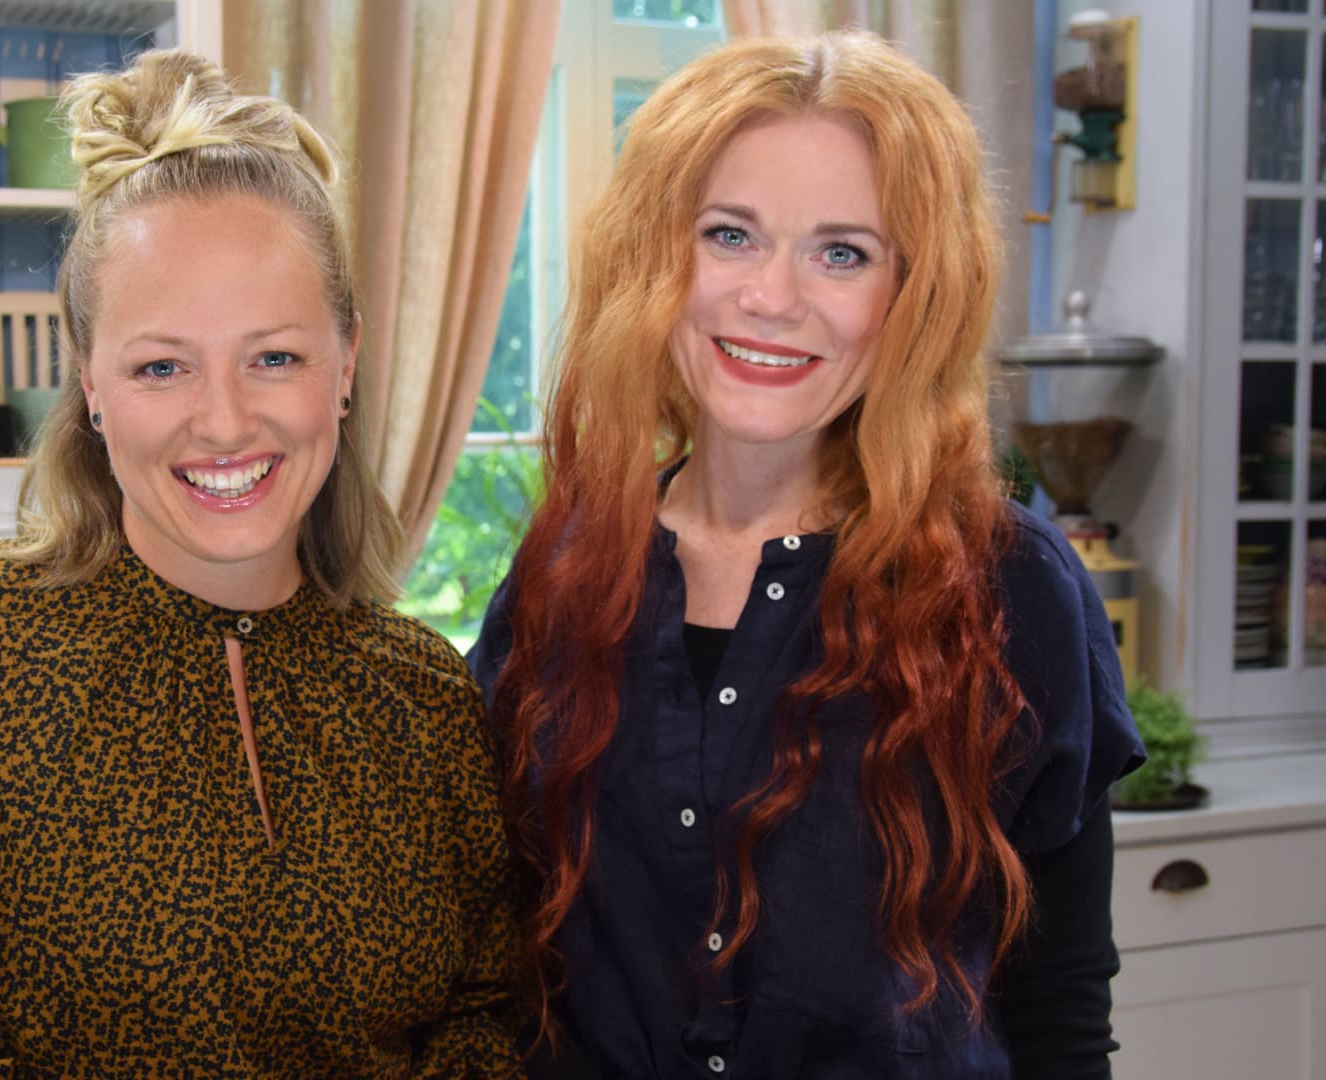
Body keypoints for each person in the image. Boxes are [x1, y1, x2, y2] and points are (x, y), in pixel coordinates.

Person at [0, 49, 524, 1077]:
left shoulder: (424, 696)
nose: (224, 421)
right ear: (90, 385)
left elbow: (488, 1017)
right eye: (162, 366)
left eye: (274, 357)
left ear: (347, 365)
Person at [470, 30, 1145, 1080]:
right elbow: (501, 968)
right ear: (656, 255)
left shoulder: (1012, 586)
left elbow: (1060, 1009)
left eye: (843, 253)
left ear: (913, 297)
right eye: (729, 235)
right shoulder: (563, 569)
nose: (772, 297)